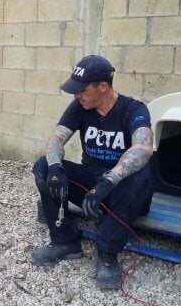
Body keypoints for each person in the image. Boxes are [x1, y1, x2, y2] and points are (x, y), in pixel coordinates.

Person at [30, 55, 154, 290]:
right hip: (92, 182)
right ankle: (65, 241)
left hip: (123, 189)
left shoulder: (133, 109)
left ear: (103, 87)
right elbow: (57, 137)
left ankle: (108, 254)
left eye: (82, 90)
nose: (77, 95)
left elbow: (143, 147)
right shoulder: (80, 106)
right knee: (43, 166)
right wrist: (56, 167)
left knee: (140, 174)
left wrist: (110, 179)